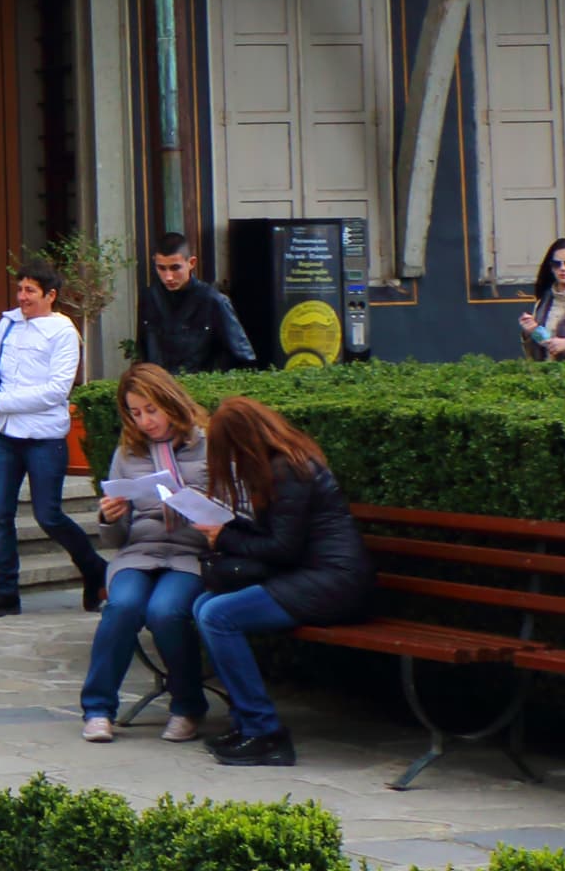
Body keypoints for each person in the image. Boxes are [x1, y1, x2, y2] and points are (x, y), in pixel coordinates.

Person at [186, 394, 375, 769]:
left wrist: (222, 537)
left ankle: (264, 732)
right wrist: (229, 527)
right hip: (315, 576)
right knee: (202, 606)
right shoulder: (282, 464)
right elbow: (278, 536)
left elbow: (283, 547)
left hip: (333, 582)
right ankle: (245, 722)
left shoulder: (290, 470)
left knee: (218, 615)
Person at [81, 363, 224, 744]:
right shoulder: (128, 451)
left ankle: (187, 706)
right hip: (138, 551)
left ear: (170, 402)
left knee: (166, 611)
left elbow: (234, 511)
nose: (144, 420)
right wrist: (110, 517)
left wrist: (211, 519)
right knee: (122, 605)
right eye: (134, 412)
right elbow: (115, 540)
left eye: (150, 410)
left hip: (190, 554)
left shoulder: (208, 443)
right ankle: (97, 709)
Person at [0, 261, 105, 619]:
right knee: (0, 514)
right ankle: (7, 592)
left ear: (50, 295)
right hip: (3, 435)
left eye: (30, 291)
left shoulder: (63, 332)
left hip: (44, 437)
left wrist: (2, 401)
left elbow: (57, 391)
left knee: (49, 514)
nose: (22, 297)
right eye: (20, 290)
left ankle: (94, 569)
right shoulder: (9, 322)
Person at [137, 234, 257, 375]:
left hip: (201, 388)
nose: (168, 276)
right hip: (160, 386)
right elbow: (143, 348)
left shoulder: (213, 300)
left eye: (175, 268)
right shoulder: (149, 297)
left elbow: (243, 357)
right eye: (161, 268)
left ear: (191, 263)